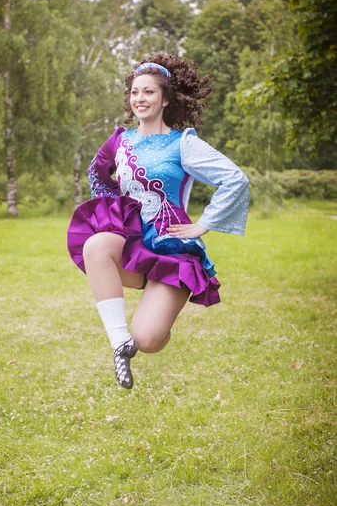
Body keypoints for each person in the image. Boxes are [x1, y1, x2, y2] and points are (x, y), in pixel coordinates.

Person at [67, 53, 249, 390]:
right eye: (135, 92)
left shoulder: (184, 144)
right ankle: (120, 342)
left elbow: (234, 179)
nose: (140, 99)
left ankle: (152, 324)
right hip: (134, 246)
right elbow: (97, 172)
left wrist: (204, 224)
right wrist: (113, 213)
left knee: (148, 340)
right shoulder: (120, 141)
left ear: (165, 99)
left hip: (172, 250)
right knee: (95, 244)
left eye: (149, 92)